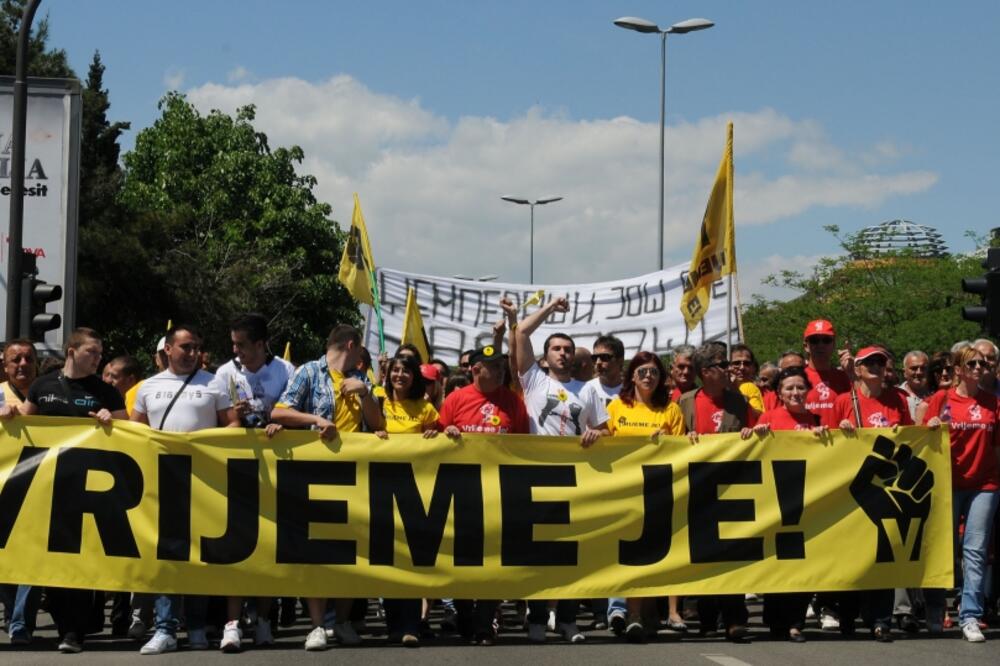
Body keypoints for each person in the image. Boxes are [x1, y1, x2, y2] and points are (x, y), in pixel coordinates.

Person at [1, 328, 128, 654]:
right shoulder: (43, 386)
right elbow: (27, 431)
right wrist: (10, 417)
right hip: (48, 489)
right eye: (92, 353)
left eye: (100, 354)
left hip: (90, 491)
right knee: (50, 563)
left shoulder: (106, 391)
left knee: (82, 563)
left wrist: (110, 419)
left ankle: (74, 632)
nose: (98, 359)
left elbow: (131, 430)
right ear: (72, 352)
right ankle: (63, 623)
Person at [271, 324, 384, 651]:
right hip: (316, 474)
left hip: (357, 476)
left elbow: (378, 425)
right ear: (352, 344)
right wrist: (316, 421)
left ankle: (344, 622)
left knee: (353, 553)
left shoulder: (362, 379)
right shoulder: (309, 371)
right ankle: (318, 625)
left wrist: (364, 394)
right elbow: (279, 411)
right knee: (316, 553)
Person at [504, 296, 608, 644]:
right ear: (545, 355)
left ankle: (567, 620)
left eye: (567, 349)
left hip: (575, 481)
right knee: (539, 555)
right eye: (556, 348)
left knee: (571, 556)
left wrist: (598, 432)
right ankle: (536, 620)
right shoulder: (533, 381)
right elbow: (519, 332)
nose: (562, 353)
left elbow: (606, 429)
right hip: (537, 478)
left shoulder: (589, 390)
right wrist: (549, 308)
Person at [131, 325, 239, 655]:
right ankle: (164, 629)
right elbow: (135, 429)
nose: (192, 354)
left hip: (205, 483)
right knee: (167, 556)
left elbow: (233, 424)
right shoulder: (148, 386)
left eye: (196, 348)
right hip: (162, 482)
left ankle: (195, 627)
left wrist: (207, 445)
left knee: (199, 557)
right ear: (168, 350)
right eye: (186, 347)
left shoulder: (216, 383)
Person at [213, 313, 295, 651]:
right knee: (237, 545)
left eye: (242, 345)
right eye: (233, 344)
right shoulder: (225, 372)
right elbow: (219, 422)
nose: (236, 351)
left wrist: (279, 421)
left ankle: (263, 620)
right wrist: (235, 414)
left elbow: (295, 412)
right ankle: (232, 623)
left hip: (276, 470)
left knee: (268, 549)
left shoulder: (287, 371)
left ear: (261, 344)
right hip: (237, 467)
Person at [437, 345, 529, 645]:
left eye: (501, 367)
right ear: (476, 370)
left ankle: (484, 622)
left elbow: (525, 444)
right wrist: (446, 433)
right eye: (493, 367)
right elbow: (433, 440)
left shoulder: (513, 402)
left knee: (492, 561)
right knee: (463, 560)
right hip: (461, 492)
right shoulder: (455, 399)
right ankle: (464, 613)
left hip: (498, 495)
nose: (500, 371)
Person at [826, 345, 911, 643]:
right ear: (858, 368)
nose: (876, 367)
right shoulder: (843, 401)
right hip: (851, 488)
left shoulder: (896, 400)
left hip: (884, 487)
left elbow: (911, 438)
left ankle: (881, 620)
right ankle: (848, 616)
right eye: (869, 362)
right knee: (853, 554)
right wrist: (842, 429)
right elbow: (826, 446)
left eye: (880, 362)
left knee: (882, 554)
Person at [740, 366, 827, 642]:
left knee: (801, 565)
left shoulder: (817, 420)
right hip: (775, 504)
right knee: (777, 563)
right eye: (789, 388)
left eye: (800, 387)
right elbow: (749, 450)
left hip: (808, 503)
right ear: (779, 393)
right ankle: (775, 620)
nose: (795, 393)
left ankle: (795, 622)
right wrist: (754, 434)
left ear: (808, 391)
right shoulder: (769, 417)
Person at [605, 351, 685, 642]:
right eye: (642, 372)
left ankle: (647, 613)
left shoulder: (671, 410)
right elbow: (604, 441)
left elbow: (683, 450)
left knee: (654, 555)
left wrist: (664, 444)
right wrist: (593, 436)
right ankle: (634, 615)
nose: (648, 376)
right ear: (632, 377)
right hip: (625, 490)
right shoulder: (616, 407)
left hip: (659, 490)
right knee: (632, 555)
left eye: (653, 372)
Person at [678, 343, 754, 642]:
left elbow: (764, 433)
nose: (731, 369)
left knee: (732, 555)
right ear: (707, 371)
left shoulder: (739, 402)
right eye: (724, 365)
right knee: (704, 554)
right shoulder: (684, 402)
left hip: (732, 488)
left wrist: (752, 434)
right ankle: (707, 617)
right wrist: (682, 438)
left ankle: (735, 618)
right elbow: (668, 436)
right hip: (696, 489)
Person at [924, 345, 1000, 643]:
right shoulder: (941, 400)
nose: (979, 368)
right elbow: (920, 442)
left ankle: (970, 615)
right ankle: (935, 609)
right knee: (942, 550)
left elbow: (996, 447)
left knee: (976, 551)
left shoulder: (992, 403)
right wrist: (929, 426)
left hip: (985, 485)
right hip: (948, 484)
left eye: (983, 364)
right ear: (958, 369)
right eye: (972, 364)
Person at [372, 353, 440, 646]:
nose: (400, 375)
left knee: (412, 559)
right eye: (395, 370)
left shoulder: (424, 408)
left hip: (416, 491)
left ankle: (412, 624)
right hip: (381, 488)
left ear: (414, 377)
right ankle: (393, 625)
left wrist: (437, 434)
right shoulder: (378, 400)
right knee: (389, 560)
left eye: (406, 371)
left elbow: (436, 439)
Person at [802, 319, 852, 425]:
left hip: (839, 440)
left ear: (833, 345)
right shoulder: (797, 379)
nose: (821, 345)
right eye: (814, 340)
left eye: (826, 340)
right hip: (806, 440)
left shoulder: (845, 378)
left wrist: (852, 373)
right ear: (806, 346)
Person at [1, 338, 36, 408]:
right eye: (16, 360)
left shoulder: (51, 393)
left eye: (29, 359)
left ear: (36, 363)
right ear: (5, 366)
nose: (23, 363)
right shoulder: (0, 391)